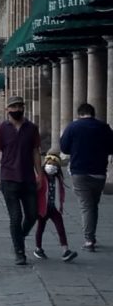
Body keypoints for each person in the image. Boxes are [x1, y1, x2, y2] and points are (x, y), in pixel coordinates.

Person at [0, 96, 43, 265]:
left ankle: (18, 237)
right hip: (8, 178)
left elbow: (35, 152)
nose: (17, 109)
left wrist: (39, 174)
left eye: (20, 106)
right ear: (7, 110)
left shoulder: (32, 128)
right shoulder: (0, 129)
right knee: (15, 216)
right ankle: (20, 252)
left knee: (33, 214)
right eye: (13, 107)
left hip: (28, 178)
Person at [59, 102, 113, 252]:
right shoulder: (104, 127)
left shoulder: (73, 127)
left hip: (79, 172)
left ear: (79, 114)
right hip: (99, 172)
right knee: (93, 205)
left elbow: (64, 147)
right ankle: (91, 236)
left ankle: (89, 240)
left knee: (86, 206)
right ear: (93, 113)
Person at [34, 153, 78, 262]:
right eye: (49, 164)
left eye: (54, 165)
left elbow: (61, 192)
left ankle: (65, 250)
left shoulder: (58, 179)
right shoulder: (40, 178)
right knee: (40, 228)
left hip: (55, 209)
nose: (51, 166)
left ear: (58, 168)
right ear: (45, 165)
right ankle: (38, 248)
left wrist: (61, 204)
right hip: (43, 208)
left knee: (61, 228)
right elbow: (35, 191)